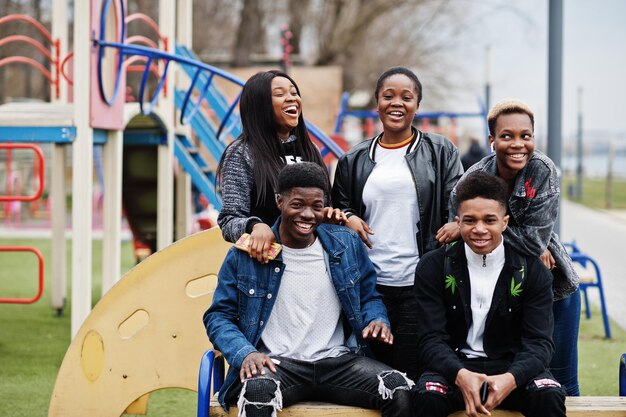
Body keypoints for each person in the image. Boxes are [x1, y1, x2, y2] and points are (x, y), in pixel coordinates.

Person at [204, 162, 414, 417]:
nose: (308, 214)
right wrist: (245, 353)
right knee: (258, 393)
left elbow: (369, 296)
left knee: (397, 388)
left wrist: (377, 319)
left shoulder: (345, 244)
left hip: (338, 363)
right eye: (297, 205)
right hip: (277, 364)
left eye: (316, 206)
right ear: (279, 202)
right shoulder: (246, 254)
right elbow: (218, 316)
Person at [436, 99, 580, 395]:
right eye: (507, 136)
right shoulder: (473, 178)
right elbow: (467, 235)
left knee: (563, 382)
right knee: (519, 383)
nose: (518, 144)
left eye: (525, 136)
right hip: (503, 297)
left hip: (552, 287)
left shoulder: (543, 171)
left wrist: (477, 232)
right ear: (491, 140)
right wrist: (519, 239)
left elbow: (533, 240)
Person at [331, 66, 464, 381]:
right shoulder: (354, 159)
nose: (397, 103)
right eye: (388, 96)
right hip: (370, 285)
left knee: (413, 374)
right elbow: (339, 209)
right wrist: (348, 218)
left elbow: (458, 202)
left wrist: (457, 223)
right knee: (372, 379)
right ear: (376, 104)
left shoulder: (441, 151)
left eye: (407, 97)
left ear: (417, 105)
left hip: (419, 283)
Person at [414, 172, 566, 417]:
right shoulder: (433, 266)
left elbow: (540, 343)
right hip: (454, 368)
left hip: (512, 367)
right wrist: (461, 375)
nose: (479, 229)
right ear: (458, 221)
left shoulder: (532, 269)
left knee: (548, 396)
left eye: (489, 220)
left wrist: (510, 379)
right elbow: (430, 340)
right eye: (470, 220)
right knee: (427, 397)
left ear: (504, 223)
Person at [217, 70, 343, 263]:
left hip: (312, 262)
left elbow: (324, 207)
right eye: (279, 94)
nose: (291, 98)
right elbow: (229, 220)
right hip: (266, 267)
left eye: (294, 93)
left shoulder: (311, 150)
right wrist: (255, 227)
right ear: (260, 105)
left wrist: (330, 216)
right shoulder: (242, 153)